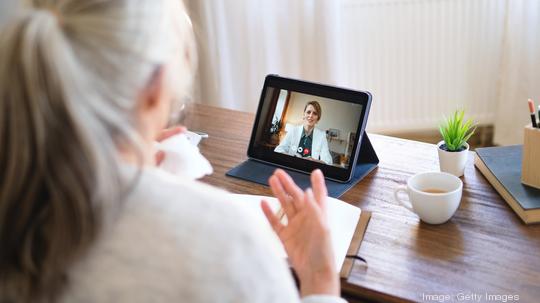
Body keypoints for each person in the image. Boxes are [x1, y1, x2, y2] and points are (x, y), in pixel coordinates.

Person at [0, 1, 346, 303]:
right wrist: (319, 278)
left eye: (315, 114)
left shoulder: (15, 201)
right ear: (155, 86)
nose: (311, 117)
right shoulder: (229, 241)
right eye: (309, 113)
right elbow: (284, 147)